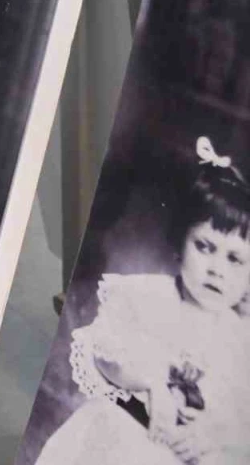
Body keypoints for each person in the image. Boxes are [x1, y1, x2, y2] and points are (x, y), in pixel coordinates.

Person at [34, 137, 250, 465]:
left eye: (234, 259)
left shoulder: (240, 341)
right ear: (179, 243)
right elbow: (106, 355)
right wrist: (150, 384)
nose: (216, 270)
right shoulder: (146, 298)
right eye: (204, 247)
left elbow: (239, 420)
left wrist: (210, 438)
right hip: (122, 438)